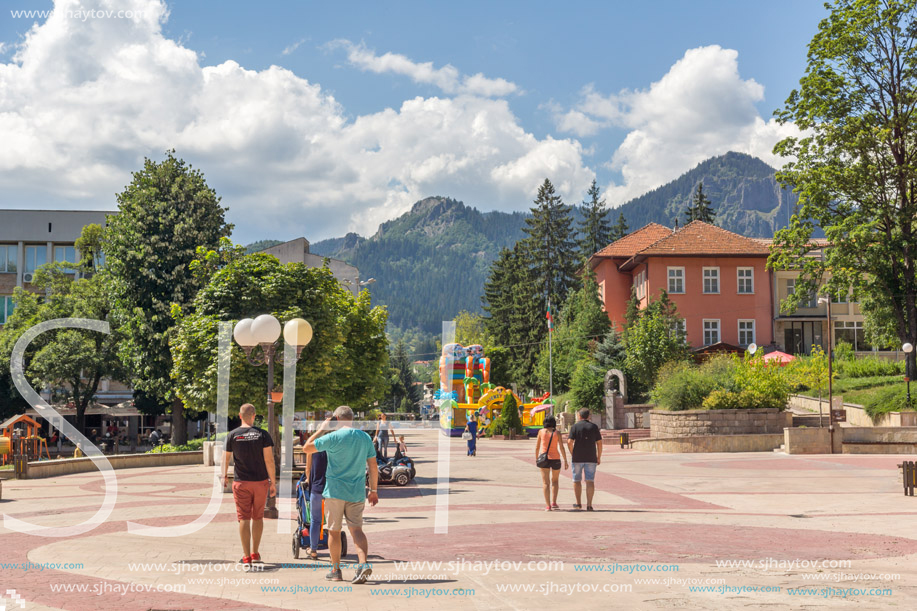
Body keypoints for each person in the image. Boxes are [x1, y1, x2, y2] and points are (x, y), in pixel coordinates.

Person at [304, 406, 378, 584]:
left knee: (334, 532)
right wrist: (373, 490)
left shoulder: (333, 437)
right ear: (352, 418)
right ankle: (362, 564)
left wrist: (321, 429)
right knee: (357, 529)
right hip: (356, 491)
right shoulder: (364, 437)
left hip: (335, 491)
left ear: (336, 418)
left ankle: (336, 571)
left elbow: (307, 448)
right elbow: (373, 467)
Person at [221, 403, 276, 566]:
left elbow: (225, 458)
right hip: (260, 482)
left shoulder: (232, 435)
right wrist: (272, 481)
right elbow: (269, 460)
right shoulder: (263, 435)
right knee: (258, 517)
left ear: (239, 416)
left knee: (243, 518)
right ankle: (255, 552)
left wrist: (224, 475)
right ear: (254, 415)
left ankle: (246, 557)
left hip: (241, 482)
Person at [566, 408, 603, 511]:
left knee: (577, 480)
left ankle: (578, 503)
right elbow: (599, 443)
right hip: (591, 457)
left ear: (579, 416)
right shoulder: (594, 427)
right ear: (589, 416)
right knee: (590, 481)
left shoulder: (575, 426)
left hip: (577, 457)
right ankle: (589, 505)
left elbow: (569, 441)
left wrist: (573, 453)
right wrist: (598, 456)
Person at [534, 415, 568, 510]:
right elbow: (561, 447)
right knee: (555, 481)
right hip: (556, 459)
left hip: (544, 459)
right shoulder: (557, 433)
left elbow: (537, 447)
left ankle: (548, 505)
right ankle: (554, 502)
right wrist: (565, 460)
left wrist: (537, 458)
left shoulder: (541, 432)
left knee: (545, 483)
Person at [304, 437, 328, 561]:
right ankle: (336, 550)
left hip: (317, 488)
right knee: (335, 521)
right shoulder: (334, 447)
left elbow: (308, 469)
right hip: (332, 489)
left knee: (315, 520)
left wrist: (308, 480)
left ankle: (313, 550)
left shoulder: (312, 448)